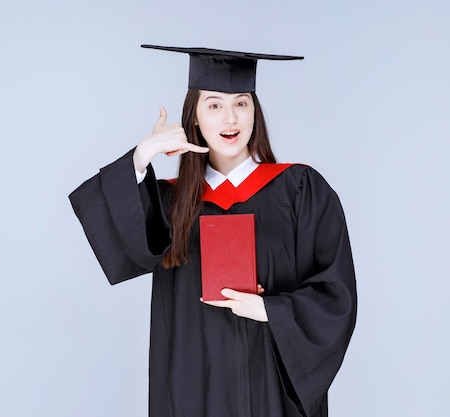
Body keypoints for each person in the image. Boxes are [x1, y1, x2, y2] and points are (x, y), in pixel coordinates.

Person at [69, 44, 357, 417]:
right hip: (192, 387)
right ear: (195, 118)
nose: (230, 118)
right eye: (214, 105)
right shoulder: (169, 202)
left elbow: (338, 293)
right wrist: (143, 155)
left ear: (255, 112)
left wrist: (273, 310)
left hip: (271, 387)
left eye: (241, 103)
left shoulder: (300, 190)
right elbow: (123, 247)